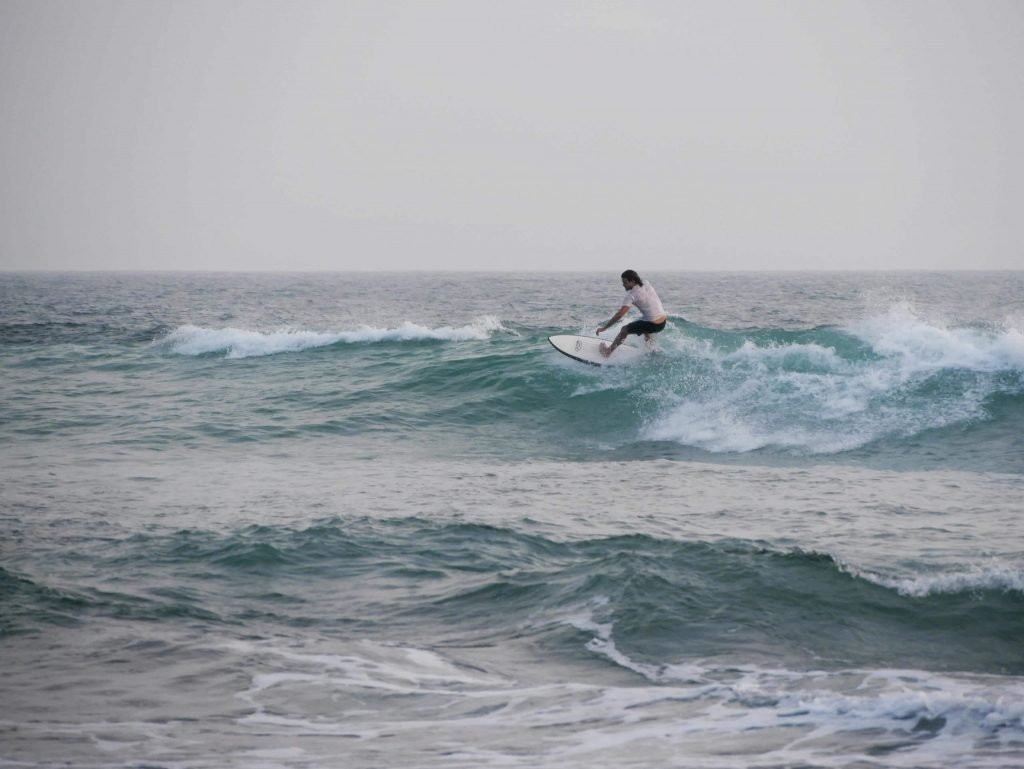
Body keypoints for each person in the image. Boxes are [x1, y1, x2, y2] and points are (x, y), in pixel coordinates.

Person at [596, 269, 668, 357]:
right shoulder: (646, 283)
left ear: (633, 281)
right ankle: (651, 350)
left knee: (624, 330)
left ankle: (608, 352)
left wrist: (604, 328)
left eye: (625, 282)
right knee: (644, 323)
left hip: (653, 324)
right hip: (663, 321)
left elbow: (619, 315)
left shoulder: (631, 296)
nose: (623, 285)